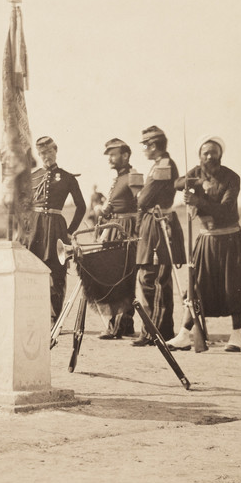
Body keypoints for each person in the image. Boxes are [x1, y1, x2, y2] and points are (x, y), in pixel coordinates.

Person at [168, 136, 241, 352]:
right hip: (205, 239)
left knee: (233, 287)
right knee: (196, 285)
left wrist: (198, 201)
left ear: (220, 155)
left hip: (230, 239)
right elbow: (177, 183)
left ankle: (236, 336)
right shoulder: (196, 172)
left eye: (213, 152)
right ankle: (184, 334)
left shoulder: (232, 178)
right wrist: (192, 184)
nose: (209, 156)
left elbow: (225, 209)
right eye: (205, 152)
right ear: (199, 155)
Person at [133, 126, 185, 345]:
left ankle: (157, 331)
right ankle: (153, 329)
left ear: (154, 145)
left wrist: (139, 197)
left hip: (159, 225)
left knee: (156, 279)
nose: (144, 149)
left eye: (145, 145)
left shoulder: (163, 165)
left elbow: (143, 200)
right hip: (152, 224)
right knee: (148, 277)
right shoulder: (159, 164)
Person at [27, 136, 86, 321]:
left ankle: (55, 317)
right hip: (35, 230)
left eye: (50, 151)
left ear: (56, 150)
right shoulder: (32, 177)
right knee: (33, 271)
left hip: (56, 229)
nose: (47, 156)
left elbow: (81, 206)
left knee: (57, 273)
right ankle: (36, 315)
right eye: (42, 153)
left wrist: (69, 231)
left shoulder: (67, 178)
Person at [97, 138, 140, 339]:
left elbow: (142, 205)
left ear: (125, 155)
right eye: (109, 155)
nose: (110, 159)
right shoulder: (118, 178)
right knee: (113, 276)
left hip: (126, 231)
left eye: (113, 155)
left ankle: (120, 326)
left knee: (124, 277)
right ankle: (122, 325)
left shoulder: (133, 176)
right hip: (113, 229)